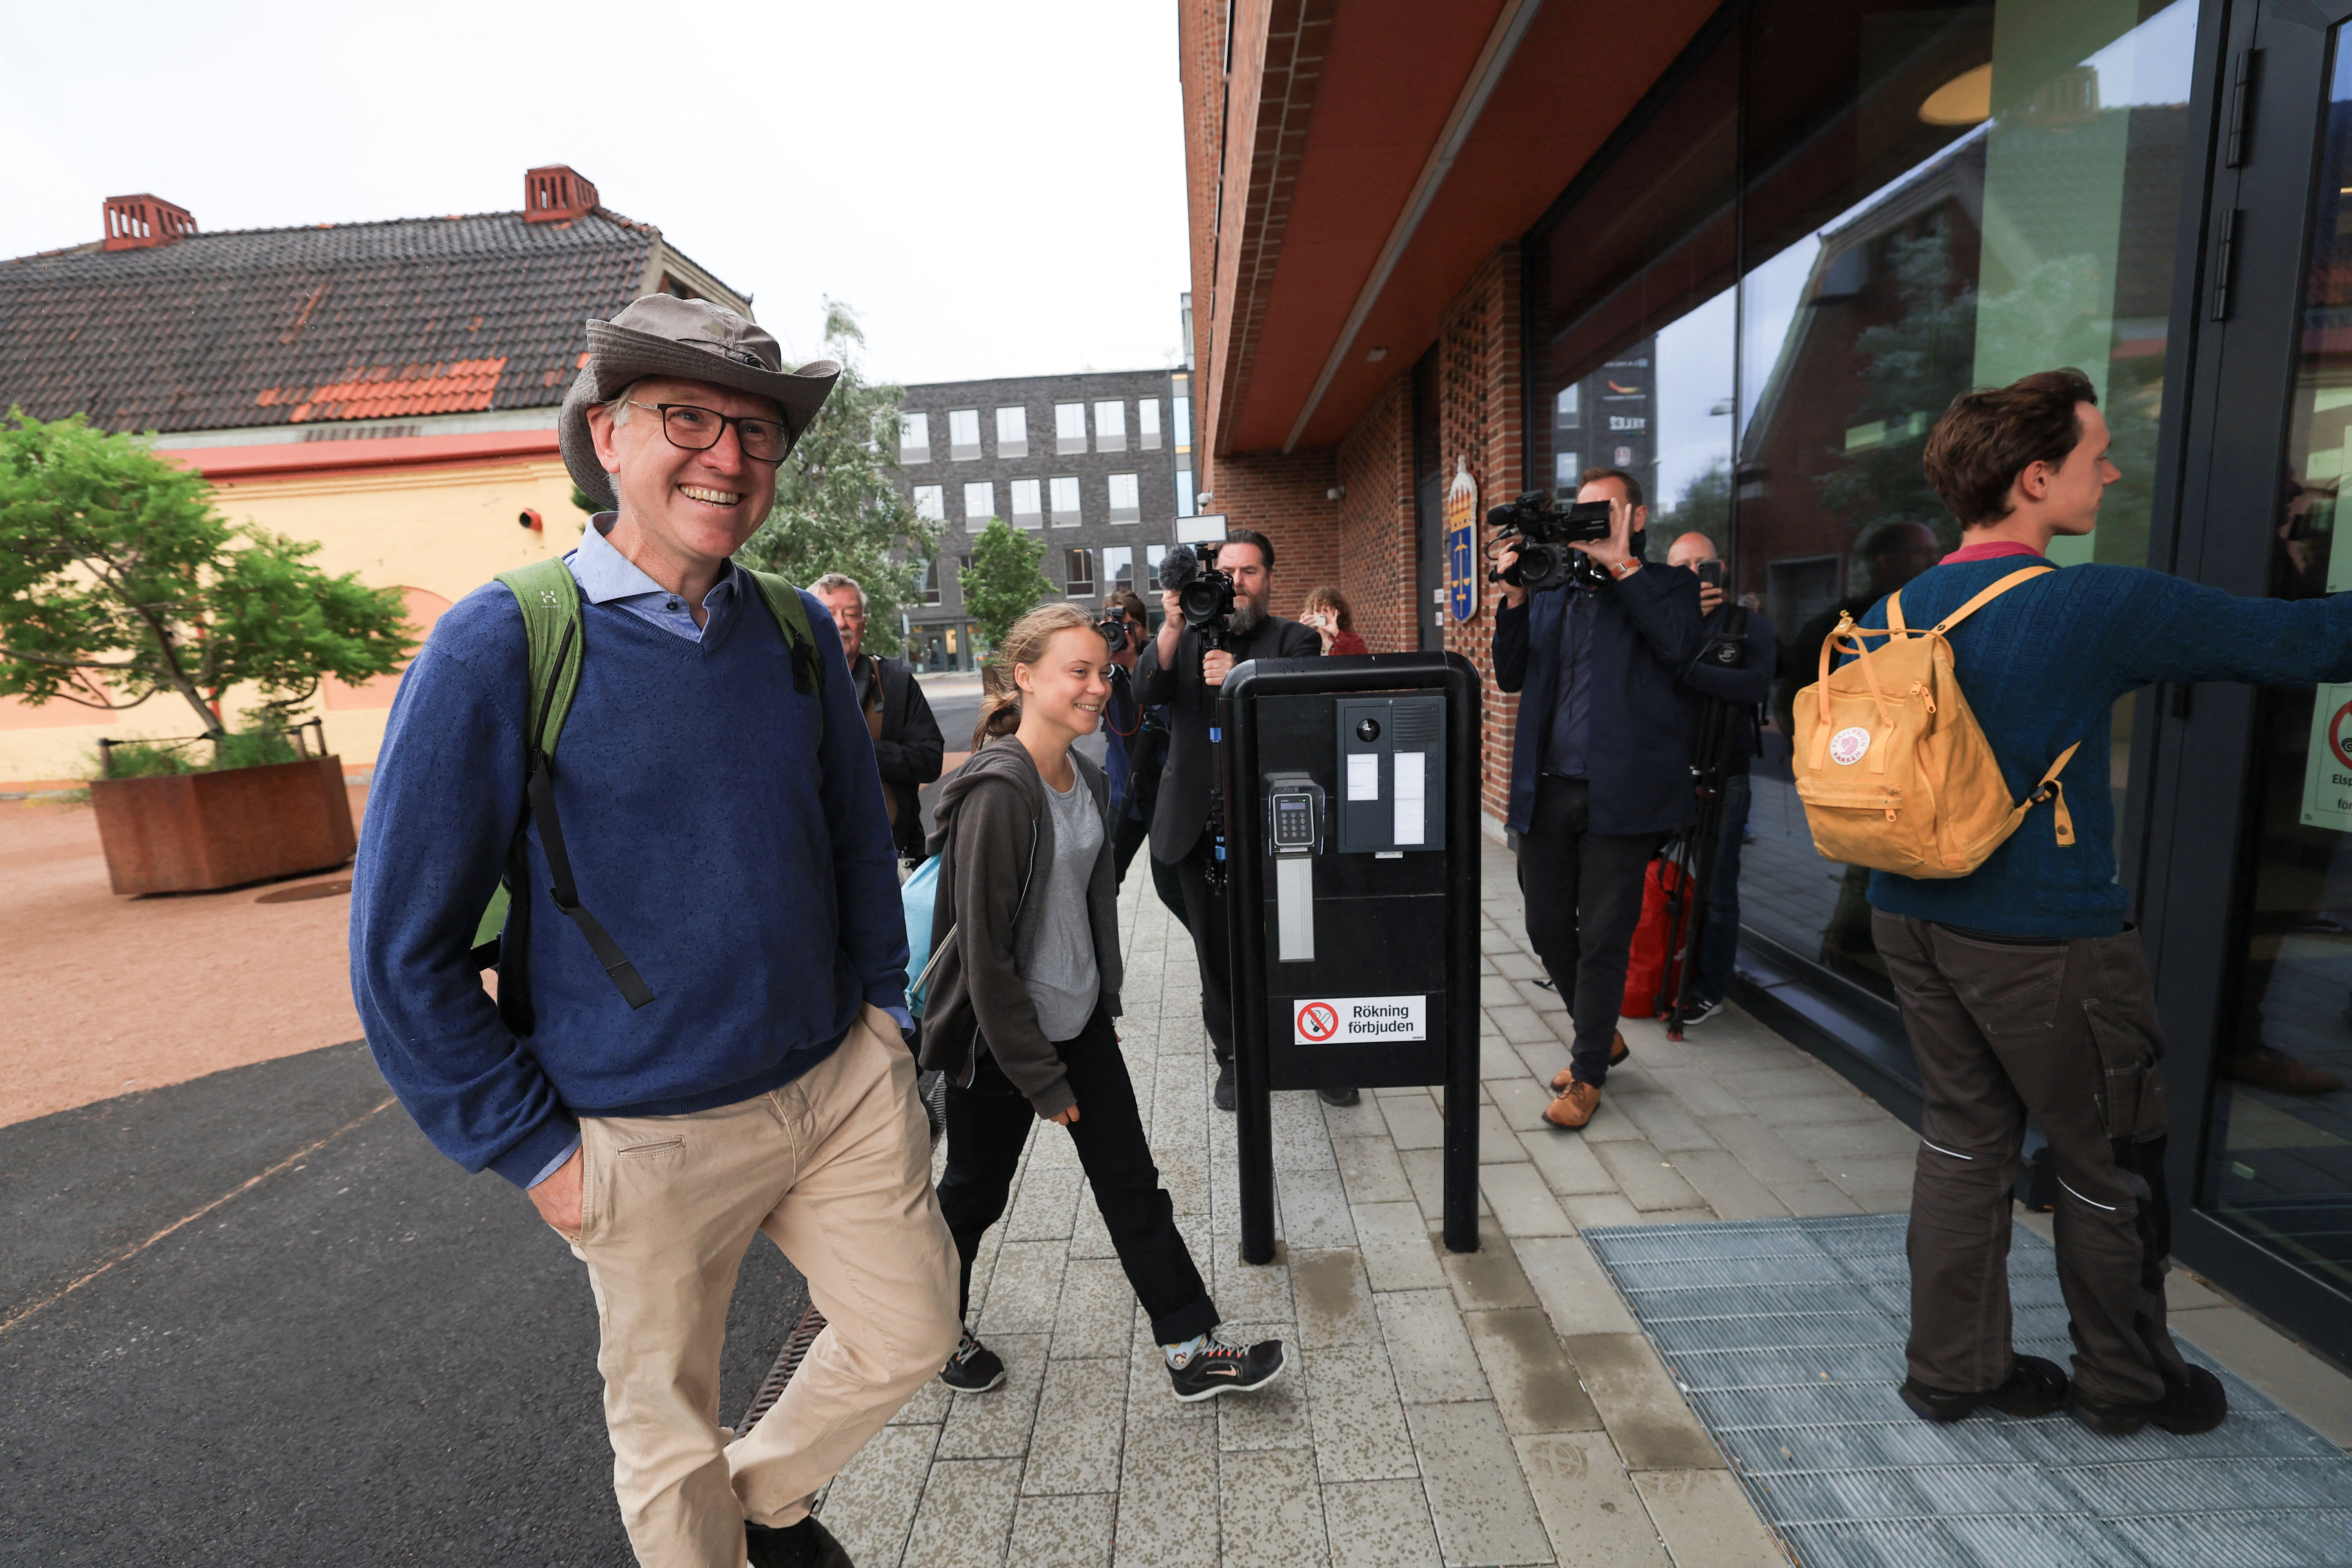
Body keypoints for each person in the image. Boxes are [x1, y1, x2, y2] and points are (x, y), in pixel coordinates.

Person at [350, 295, 957, 1568]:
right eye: (689, 417)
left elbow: (859, 835)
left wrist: (885, 1022)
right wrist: (535, 1152)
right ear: (608, 435)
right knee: (666, 1449)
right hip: (643, 1135)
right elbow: (402, 953)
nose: (728, 457)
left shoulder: (792, 628)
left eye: (757, 431)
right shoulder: (500, 644)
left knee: (910, 1334)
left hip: (835, 1090)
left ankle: (769, 1496)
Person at [1859, 368, 2352, 1438]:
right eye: (2097, 454)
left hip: (1907, 909)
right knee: (2106, 1162)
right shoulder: (2093, 603)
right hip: (2043, 938)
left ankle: (1953, 1373)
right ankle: (2128, 1385)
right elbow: (2308, 643)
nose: (2115, 469)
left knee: (1961, 1143)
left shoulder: (1897, 606)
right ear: (2037, 479)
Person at [918, 605, 1286, 1401]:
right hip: (1002, 1041)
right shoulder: (998, 792)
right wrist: (1043, 1079)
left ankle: (1191, 1347)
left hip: (1077, 1025)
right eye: (1075, 671)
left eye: (1101, 671)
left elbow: (1088, 908)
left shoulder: (1083, 775)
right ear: (1025, 677)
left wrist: (1100, 1010)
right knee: (974, 1193)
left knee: (1132, 1183)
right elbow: (985, 959)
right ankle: (930, 1328)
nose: (1096, 686)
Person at [1492, 468, 1704, 1130]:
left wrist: (1623, 569)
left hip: (1622, 796)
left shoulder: (1668, 585)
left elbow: (1680, 650)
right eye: (1579, 515)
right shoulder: (1551, 586)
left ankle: (1587, 1075)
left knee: (1605, 935)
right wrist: (1516, 598)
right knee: (1545, 925)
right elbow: (1509, 672)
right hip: (1549, 790)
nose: (1588, 526)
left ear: (1634, 518)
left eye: (1602, 514)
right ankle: (1601, 1033)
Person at [1134, 529, 1339, 1111]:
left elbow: (1303, 717)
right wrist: (1172, 624)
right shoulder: (1189, 634)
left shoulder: (1295, 640)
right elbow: (1149, 690)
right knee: (1217, 952)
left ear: (1269, 579)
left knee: (1298, 942)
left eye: (1250, 572)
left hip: (1277, 825)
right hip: (1199, 820)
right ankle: (1234, 1057)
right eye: (1229, 573)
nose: (1239, 584)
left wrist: (1244, 678)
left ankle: (1316, 1050)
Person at [1663, 532, 1777, 1024]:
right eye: (1681, 566)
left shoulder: (1748, 625)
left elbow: (1752, 687)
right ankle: (1655, 965)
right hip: (1663, 773)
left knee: (1715, 887)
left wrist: (1686, 670)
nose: (1692, 573)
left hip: (1724, 775)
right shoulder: (1664, 625)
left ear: (1720, 568)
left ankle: (1710, 986)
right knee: (1654, 880)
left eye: (1701, 564)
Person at [811, 572, 944, 862]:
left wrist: (858, 748)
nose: (841, 623)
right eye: (829, 613)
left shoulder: (896, 683)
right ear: (809, 621)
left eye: (851, 614)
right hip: (813, 858)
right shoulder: (789, 683)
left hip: (893, 857)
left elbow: (930, 760)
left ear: (864, 624)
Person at [1300, 583, 1370, 655]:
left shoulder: (1351, 638)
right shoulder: (1308, 638)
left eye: (1327, 611)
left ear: (1338, 611)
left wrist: (1337, 634)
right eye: (1318, 611)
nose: (1322, 615)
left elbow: (1361, 661)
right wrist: (1300, 634)